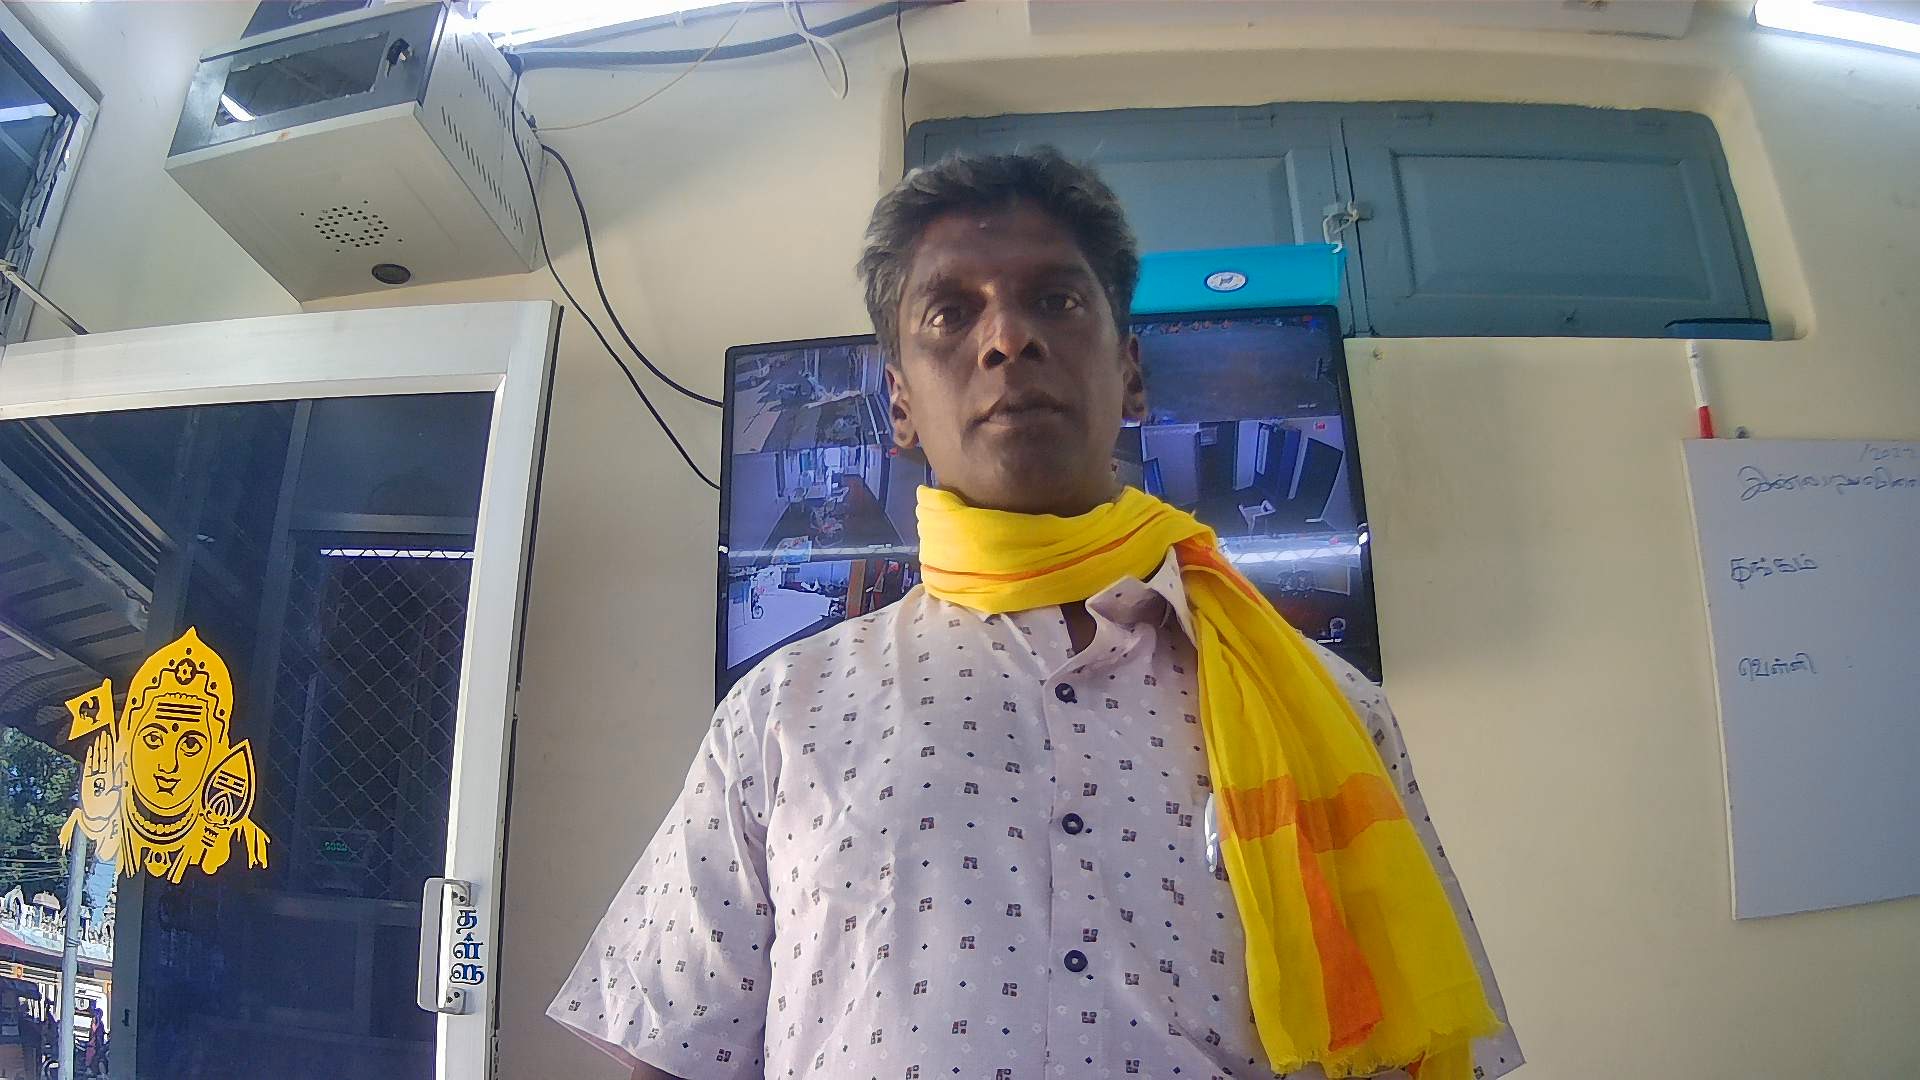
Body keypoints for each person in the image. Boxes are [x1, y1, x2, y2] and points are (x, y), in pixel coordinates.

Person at [552, 150, 1524, 1080]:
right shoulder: (778, 715)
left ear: (1131, 372)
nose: (1007, 338)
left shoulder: (1338, 714)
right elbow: (673, 1053)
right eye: (949, 313)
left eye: (1056, 300)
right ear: (900, 404)